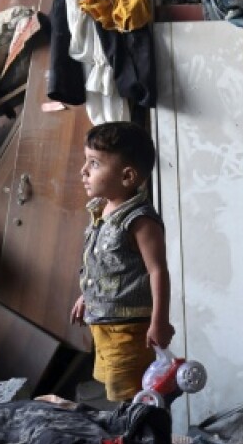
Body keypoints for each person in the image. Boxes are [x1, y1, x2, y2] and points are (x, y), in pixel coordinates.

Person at [69, 121, 174, 402]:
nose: (83, 171)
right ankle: (128, 428)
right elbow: (105, 265)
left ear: (127, 176)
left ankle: (140, 430)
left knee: (134, 395)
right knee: (117, 392)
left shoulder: (140, 221)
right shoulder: (102, 210)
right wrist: (87, 296)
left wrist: (160, 321)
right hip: (103, 325)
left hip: (128, 329)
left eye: (94, 163)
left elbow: (158, 271)